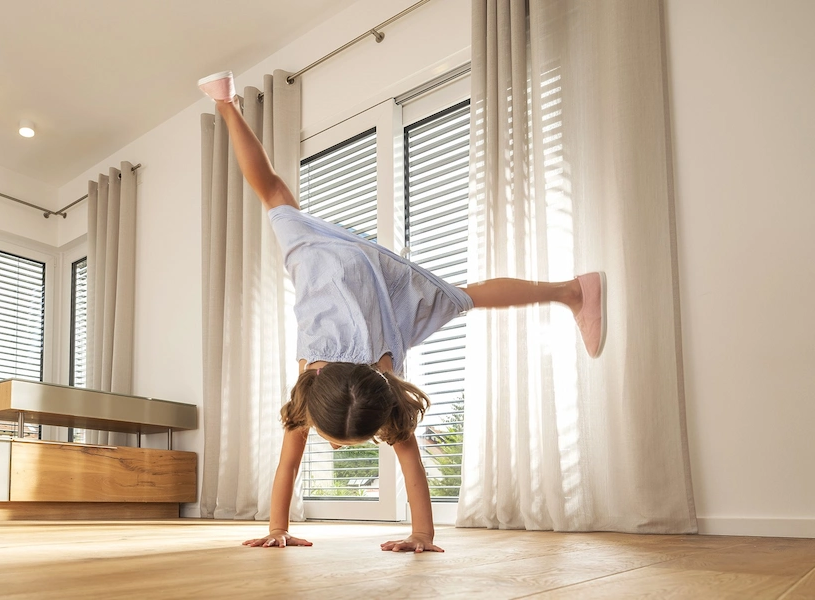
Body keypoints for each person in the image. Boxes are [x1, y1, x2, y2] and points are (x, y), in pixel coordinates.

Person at [198, 71, 605, 552]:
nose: (329, 446)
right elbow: (301, 465)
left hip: (351, 278)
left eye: (333, 444)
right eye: (339, 443)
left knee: (463, 297)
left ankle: (572, 291)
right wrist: (279, 529)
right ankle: (225, 102)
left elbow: (383, 469)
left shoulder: (366, 386)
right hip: (341, 274)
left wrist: (419, 535)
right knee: (274, 196)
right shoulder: (331, 389)